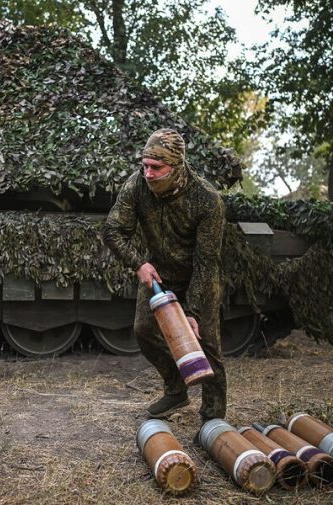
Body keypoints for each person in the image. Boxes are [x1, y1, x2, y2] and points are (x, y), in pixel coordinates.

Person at [102, 128, 227, 423]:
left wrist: (193, 311)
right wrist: (138, 264)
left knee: (206, 344)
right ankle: (176, 390)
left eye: (156, 167)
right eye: (145, 165)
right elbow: (112, 230)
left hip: (199, 277)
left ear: (177, 166)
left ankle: (214, 419)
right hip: (157, 274)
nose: (148, 173)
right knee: (144, 331)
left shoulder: (207, 199)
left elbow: (207, 262)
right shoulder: (137, 186)